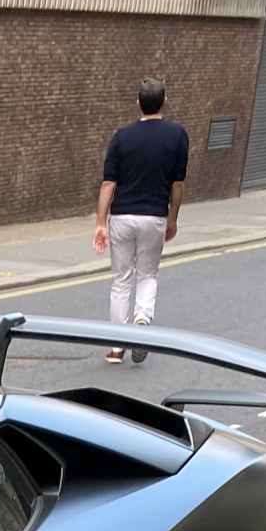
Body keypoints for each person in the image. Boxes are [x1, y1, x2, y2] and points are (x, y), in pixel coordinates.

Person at [92, 77, 189, 364]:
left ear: (138, 104)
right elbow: (178, 184)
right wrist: (173, 218)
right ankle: (142, 322)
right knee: (147, 275)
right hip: (154, 216)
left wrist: (101, 221)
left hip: (122, 216)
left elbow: (108, 183)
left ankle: (116, 348)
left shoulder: (122, 136)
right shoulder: (177, 135)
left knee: (121, 281)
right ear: (164, 102)